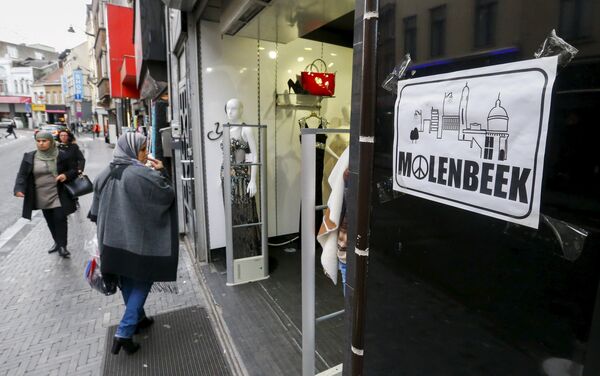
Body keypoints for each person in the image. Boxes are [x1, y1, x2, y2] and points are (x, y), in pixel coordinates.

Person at [89, 132, 178, 355]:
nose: (145, 153)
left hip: (110, 242)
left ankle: (138, 318)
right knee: (143, 280)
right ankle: (124, 331)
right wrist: (162, 172)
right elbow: (167, 195)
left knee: (127, 279)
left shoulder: (104, 173)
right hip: (136, 241)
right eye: (142, 149)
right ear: (131, 150)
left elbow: (94, 213)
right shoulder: (141, 174)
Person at [13, 132, 78, 258]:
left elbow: (73, 170)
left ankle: (62, 246)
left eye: (44, 141)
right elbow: (22, 175)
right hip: (40, 195)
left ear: (51, 141)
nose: (41, 143)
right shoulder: (29, 157)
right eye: (38, 141)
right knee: (50, 220)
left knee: (60, 218)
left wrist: (65, 175)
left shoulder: (61, 155)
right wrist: (19, 188)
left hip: (58, 193)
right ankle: (57, 242)